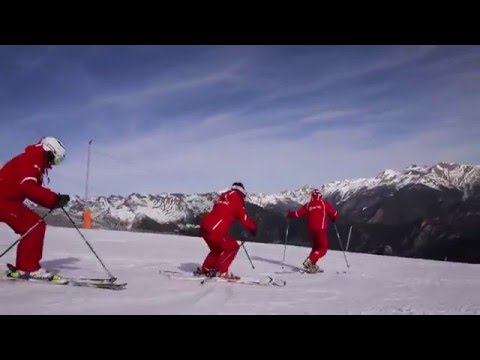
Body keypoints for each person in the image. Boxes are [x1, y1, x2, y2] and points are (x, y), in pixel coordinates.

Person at [0, 136, 70, 280]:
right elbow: (28, 187)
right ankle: (30, 268)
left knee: (32, 226)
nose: (54, 164)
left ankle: (24, 266)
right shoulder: (32, 160)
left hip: (8, 200)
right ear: (49, 152)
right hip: (4, 201)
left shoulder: (32, 159)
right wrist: (54, 199)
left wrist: (53, 199)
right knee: (34, 226)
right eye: (57, 160)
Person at [196, 182, 257, 279]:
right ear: (242, 193)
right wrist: (253, 229)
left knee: (217, 249)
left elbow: (223, 213)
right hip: (215, 231)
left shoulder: (222, 198)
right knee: (233, 247)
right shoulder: (237, 200)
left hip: (204, 227)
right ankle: (222, 272)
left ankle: (206, 269)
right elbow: (244, 218)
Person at [287, 189, 338, 273]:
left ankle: (311, 265)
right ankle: (310, 260)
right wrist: (333, 219)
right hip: (321, 229)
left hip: (311, 229)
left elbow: (298, 214)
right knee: (323, 248)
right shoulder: (324, 204)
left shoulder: (308, 205)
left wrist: (290, 214)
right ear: (320, 196)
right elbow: (335, 214)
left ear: (312, 196)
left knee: (315, 247)